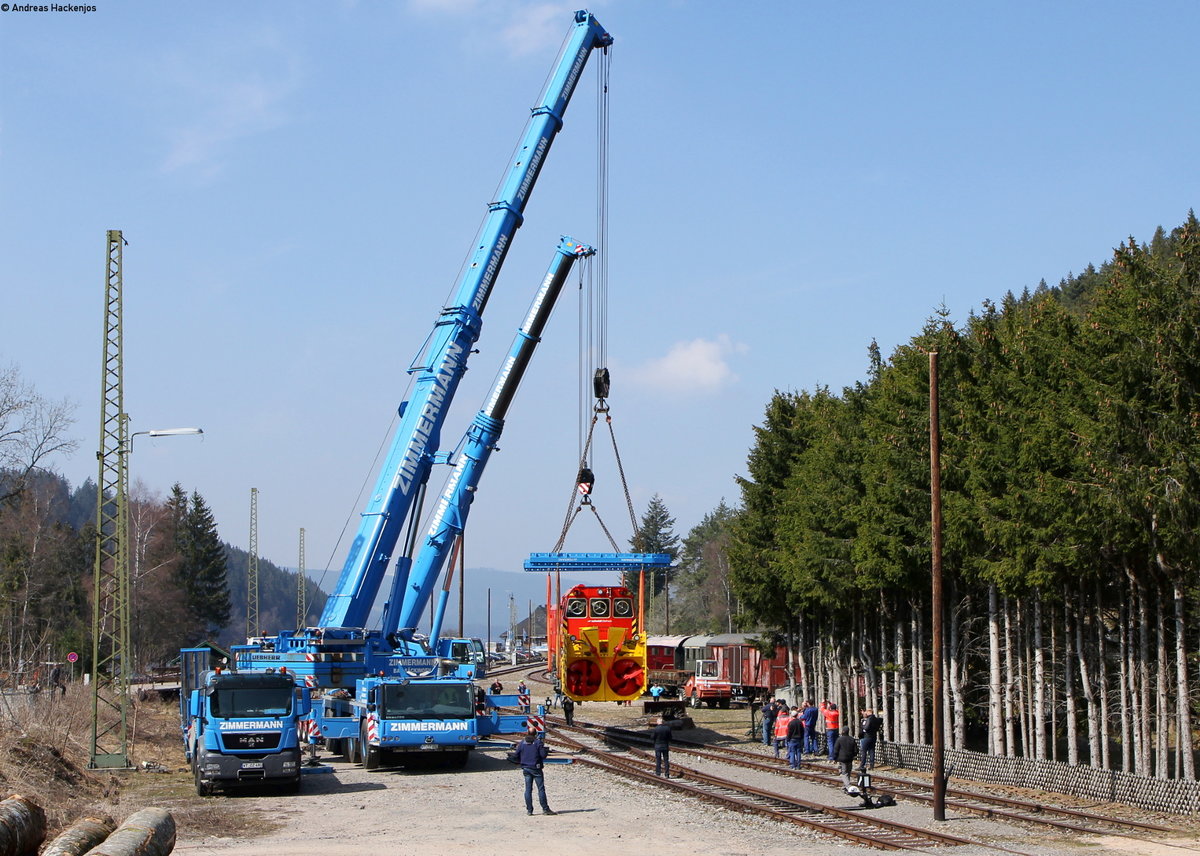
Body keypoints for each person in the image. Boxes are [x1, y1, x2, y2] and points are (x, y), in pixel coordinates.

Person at [512, 728, 556, 815]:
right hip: (536, 768)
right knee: (541, 789)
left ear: (527, 733)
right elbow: (543, 755)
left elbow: (516, 754)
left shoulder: (522, 743)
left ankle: (529, 810)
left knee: (528, 789)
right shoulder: (538, 743)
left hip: (526, 768)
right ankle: (545, 809)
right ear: (535, 734)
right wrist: (545, 751)